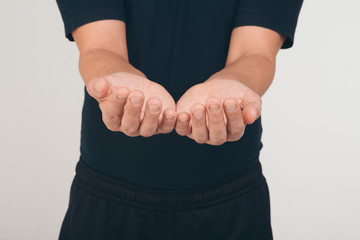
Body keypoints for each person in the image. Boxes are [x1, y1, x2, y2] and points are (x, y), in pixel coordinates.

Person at [56, 0, 303, 239]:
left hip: (232, 202)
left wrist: (236, 82)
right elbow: (99, 47)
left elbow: (256, 52)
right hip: (107, 197)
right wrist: (115, 79)